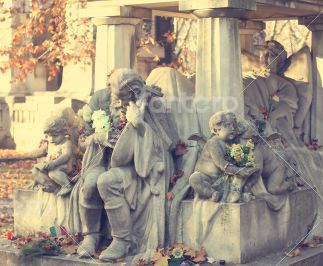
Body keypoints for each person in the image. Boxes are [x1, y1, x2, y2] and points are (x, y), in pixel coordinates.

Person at [77, 68, 179, 262]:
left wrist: (139, 124)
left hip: (136, 165)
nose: (119, 103)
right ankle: (91, 235)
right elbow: (82, 141)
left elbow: (169, 144)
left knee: (107, 182)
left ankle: (122, 240)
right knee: (90, 184)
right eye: (116, 97)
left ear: (134, 93)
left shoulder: (153, 105)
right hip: (103, 159)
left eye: (123, 99)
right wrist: (99, 136)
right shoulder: (101, 101)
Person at [189, 111, 259, 203]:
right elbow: (221, 164)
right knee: (194, 178)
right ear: (216, 130)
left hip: (225, 177)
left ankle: (244, 190)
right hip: (208, 179)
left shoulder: (233, 142)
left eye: (233, 125)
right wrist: (239, 171)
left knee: (252, 170)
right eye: (227, 126)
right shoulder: (213, 143)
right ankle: (212, 193)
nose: (232, 128)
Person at [30, 116, 75, 196]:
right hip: (51, 165)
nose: (51, 139)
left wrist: (54, 163)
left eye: (55, 136)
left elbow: (66, 156)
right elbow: (47, 155)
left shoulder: (66, 143)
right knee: (35, 170)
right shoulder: (50, 144)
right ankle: (51, 186)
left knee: (53, 173)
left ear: (64, 133)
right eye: (48, 136)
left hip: (63, 167)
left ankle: (67, 185)